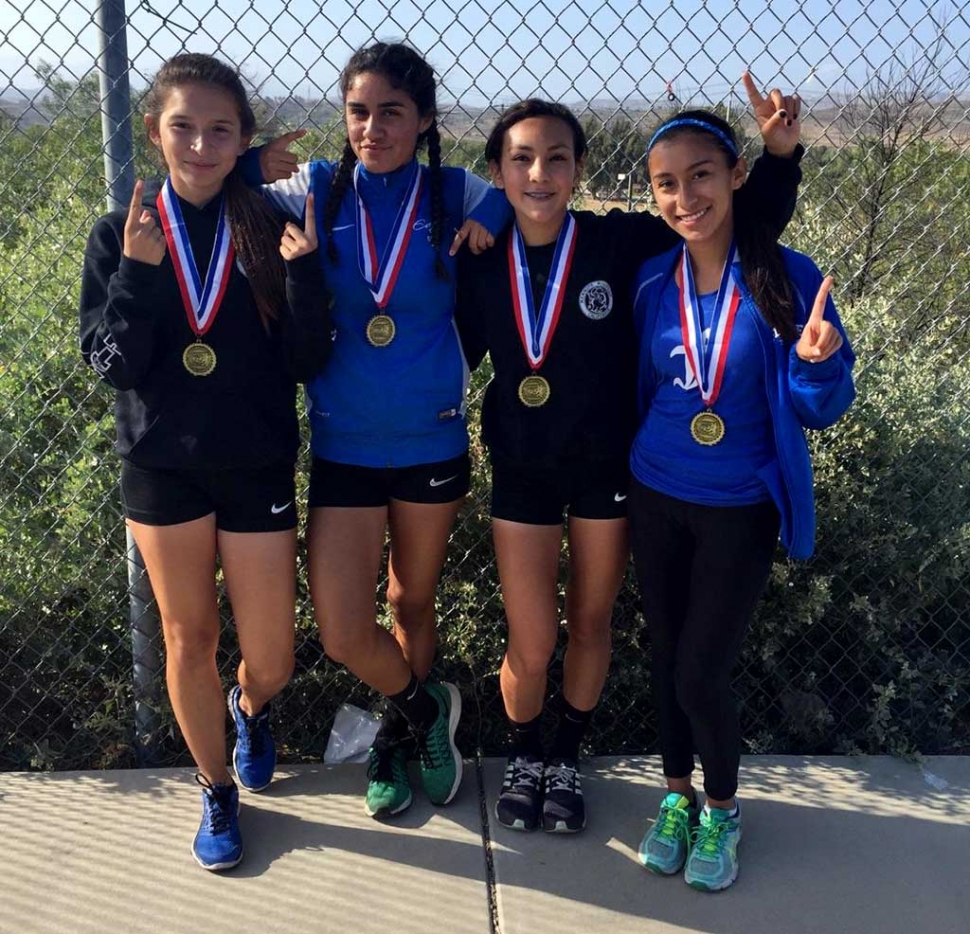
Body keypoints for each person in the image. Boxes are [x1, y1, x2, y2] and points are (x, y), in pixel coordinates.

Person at [455, 76, 804, 835]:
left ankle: (566, 758)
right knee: (531, 638)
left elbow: (735, 226)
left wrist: (779, 158)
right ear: (499, 173)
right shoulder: (480, 259)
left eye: (555, 158)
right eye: (520, 161)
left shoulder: (621, 243)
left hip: (609, 470)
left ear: (579, 169)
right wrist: (482, 216)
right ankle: (526, 752)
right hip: (521, 468)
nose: (539, 175)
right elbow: (433, 338)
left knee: (589, 621)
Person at [239, 41, 510, 819]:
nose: (372, 128)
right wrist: (253, 157)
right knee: (342, 630)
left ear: (423, 119)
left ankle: (396, 735)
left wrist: (486, 229)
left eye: (392, 112)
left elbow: (516, 197)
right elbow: (198, 188)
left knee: (412, 602)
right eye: (358, 111)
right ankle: (432, 711)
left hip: (431, 443)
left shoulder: (457, 193)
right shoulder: (319, 188)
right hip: (344, 448)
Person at [79, 53, 332, 870]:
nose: (199, 143)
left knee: (273, 654)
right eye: (182, 126)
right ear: (155, 134)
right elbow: (111, 363)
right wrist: (140, 278)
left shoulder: (266, 218)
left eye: (220, 129)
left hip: (254, 463)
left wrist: (303, 276)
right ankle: (216, 785)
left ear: (243, 140)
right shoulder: (120, 232)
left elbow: (305, 359)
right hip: (162, 469)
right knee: (190, 637)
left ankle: (250, 708)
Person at [630, 109, 854, 890]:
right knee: (666, 660)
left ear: (735, 177)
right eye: (666, 182)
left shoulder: (787, 276)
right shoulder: (652, 281)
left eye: (700, 175)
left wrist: (820, 366)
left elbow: (820, 404)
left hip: (739, 507)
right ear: (652, 193)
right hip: (655, 495)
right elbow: (646, 385)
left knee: (701, 671)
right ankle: (675, 797)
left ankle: (722, 809)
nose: (685, 195)